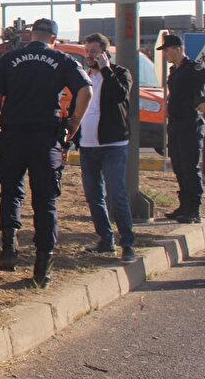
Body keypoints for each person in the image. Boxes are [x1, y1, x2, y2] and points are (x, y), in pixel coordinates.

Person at [0, 18, 91, 288]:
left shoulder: (10, 59)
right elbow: (86, 90)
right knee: (45, 202)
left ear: (31, 35)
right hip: (46, 138)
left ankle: (9, 248)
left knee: (11, 192)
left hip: (13, 134)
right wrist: (73, 124)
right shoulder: (62, 59)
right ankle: (42, 267)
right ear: (54, 38)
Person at [75, 33, 137, 264]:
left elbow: (120, 94)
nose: (90, 56)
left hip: (113, 145)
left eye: (94, 51)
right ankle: (105, 240)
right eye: (87, 51)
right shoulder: (84, 75)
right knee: (93, 195)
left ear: (105, 52)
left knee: (116, 194)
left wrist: (106, 70)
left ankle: (128, 244)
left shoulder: (120, 73)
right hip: (88, 145)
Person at [156, 34, 205, 224]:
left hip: (190, 123)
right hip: (176, 124)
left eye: (167, 50)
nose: (166, 54)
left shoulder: (193, 68)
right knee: (178, 166)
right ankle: (184, 206)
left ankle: (194, 209)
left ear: (178, 49)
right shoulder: (174, 71)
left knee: (190, 167)